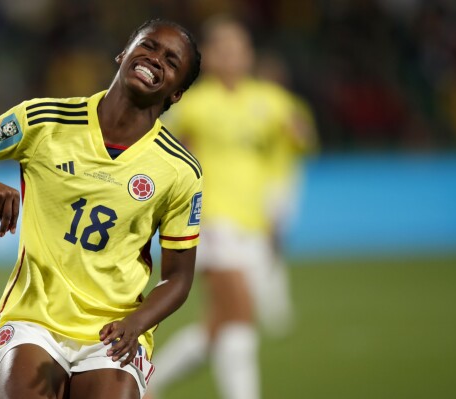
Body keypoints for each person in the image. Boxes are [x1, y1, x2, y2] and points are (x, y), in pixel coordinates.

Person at [0, 18, 202, 399]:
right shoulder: (44, 120)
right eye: (149, 46)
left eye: (171, 62)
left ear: (176, 95)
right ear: (123, 54)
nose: (155, 60)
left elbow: (178, 279)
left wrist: (137, 323)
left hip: (115, 330)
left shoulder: (180, 170)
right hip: (32, 320)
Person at [147, 16, 317, 399]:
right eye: (222, 48)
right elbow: (166, 153)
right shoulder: (194, 105)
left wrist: (299, 133)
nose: (231, 55)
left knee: (219, 326)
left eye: (237, 47)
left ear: (248, 54)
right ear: (209, 58)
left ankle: (147, 381)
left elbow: (302, 139)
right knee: (239, 319)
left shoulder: (271, 102)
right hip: (209, 222)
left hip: (253, 224)